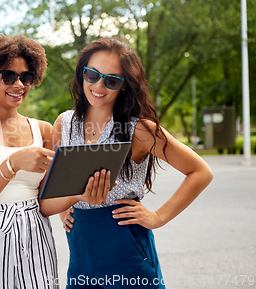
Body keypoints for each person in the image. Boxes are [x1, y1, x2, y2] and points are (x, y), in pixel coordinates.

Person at [0, 33, 110, 289]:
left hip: (36, 235)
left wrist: (80, 194)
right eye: (8, 76)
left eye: (26, 77)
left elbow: (44, 203)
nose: (19, 84)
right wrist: (13, 164)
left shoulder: (44, 131)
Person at [57, 37, 213, 288]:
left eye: (111, 80)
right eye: (92, 74)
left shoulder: (139, 130)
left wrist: (158, 217)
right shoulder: (64, 123)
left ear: (124, 86)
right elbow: (56, 177)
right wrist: (64, 207)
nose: (98, 85)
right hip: (80, 250)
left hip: (124, 245)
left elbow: (200, 171)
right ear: (81, 73)